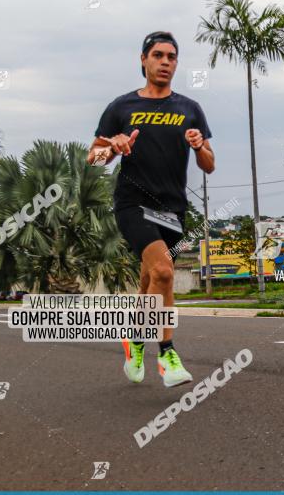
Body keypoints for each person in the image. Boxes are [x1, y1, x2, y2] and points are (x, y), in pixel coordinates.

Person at [88, 31, 215, 387]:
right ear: (143, 60)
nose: (165, 62)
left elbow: (209, 165)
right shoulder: (121, 107)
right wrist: (112, 147)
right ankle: (169, 355)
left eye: (172, 57)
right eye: (158, 55)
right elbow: (93, 159)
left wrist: (200, 145)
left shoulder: (190, 109)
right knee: (163, 272)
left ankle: (135, 339)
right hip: (133, 203)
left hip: (173, 209)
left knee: (149, 281)